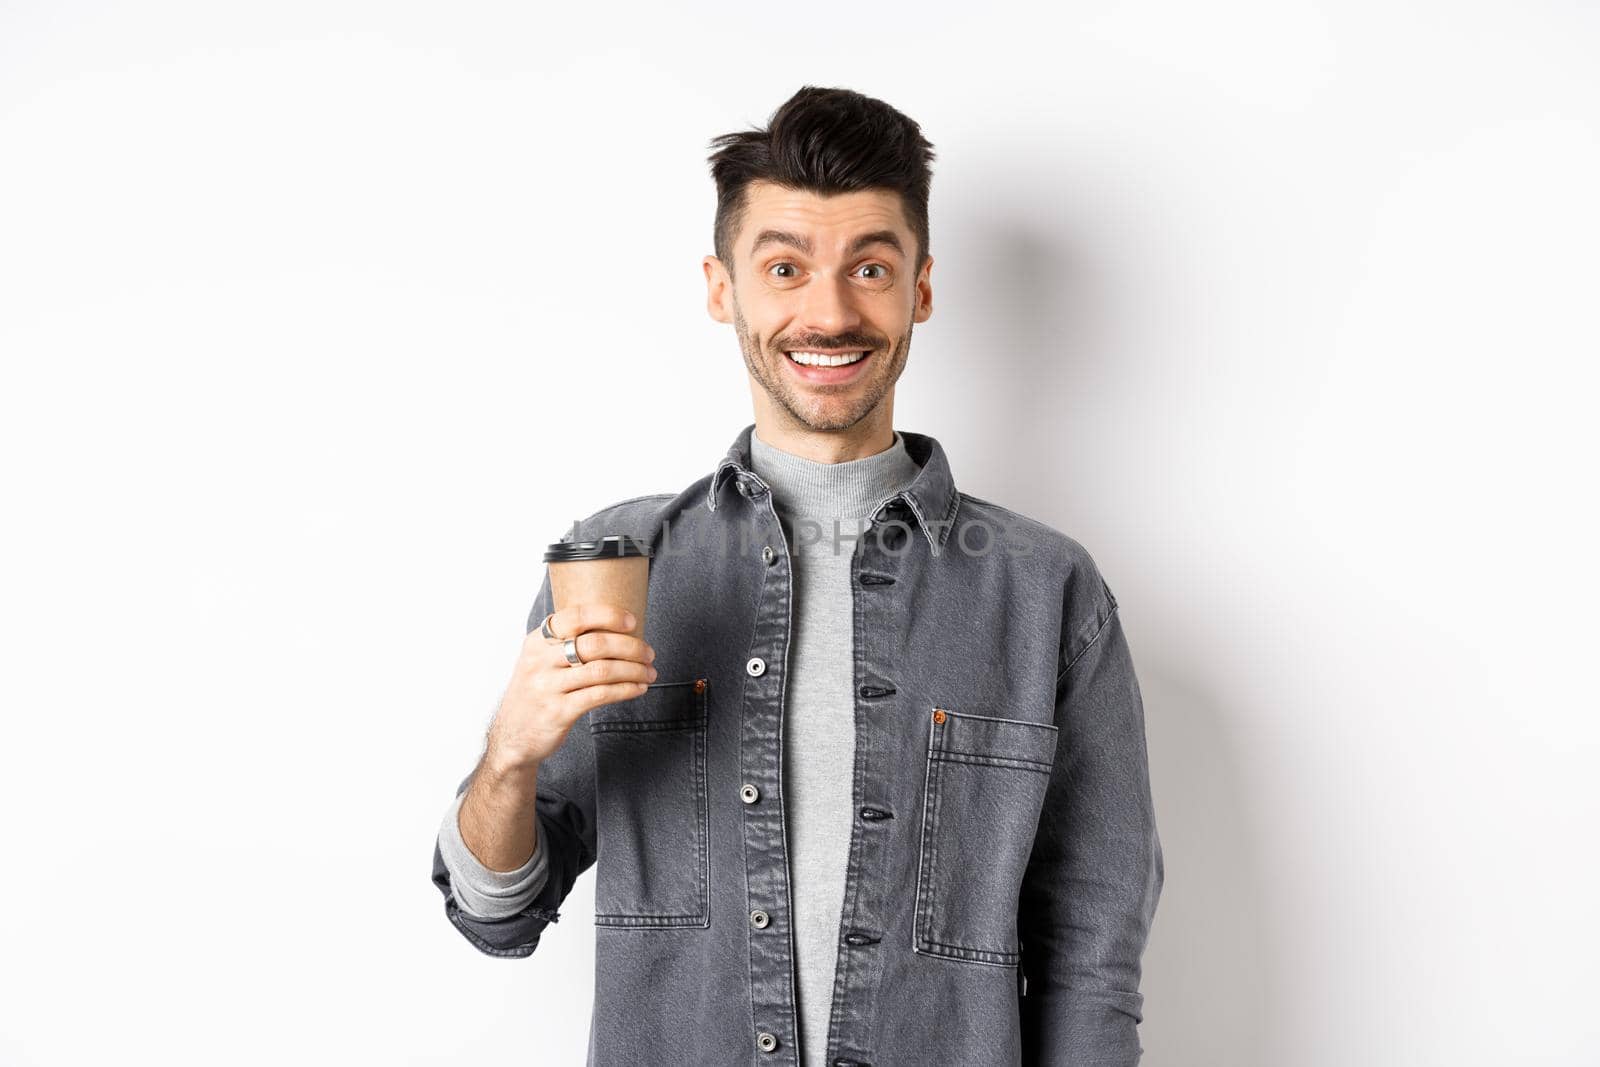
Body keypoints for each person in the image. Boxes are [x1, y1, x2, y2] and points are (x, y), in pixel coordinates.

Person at [431, 84, 1164, 1066]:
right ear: (721, 286)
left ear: (922, 287)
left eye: (869, 266)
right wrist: (511, 754)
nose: (828, 310)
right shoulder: (615, 566)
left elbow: (1093, 949)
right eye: (785, 266)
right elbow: (496, 915)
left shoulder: (1044, 594)